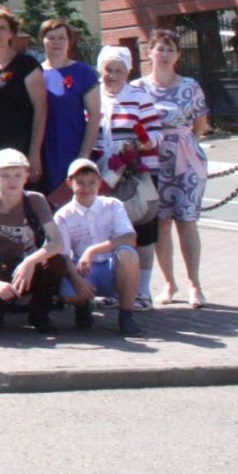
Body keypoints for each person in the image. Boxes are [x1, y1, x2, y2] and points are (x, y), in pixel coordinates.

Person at [137, 28, 210, 308]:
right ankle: (169, 283)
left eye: (170, 50)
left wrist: (181, 142)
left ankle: (195, 285)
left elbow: (200, 125)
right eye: (160, 49)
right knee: (161, 224)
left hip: (185, 159)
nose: (165, 55)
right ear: (150, 52)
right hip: (153, 162)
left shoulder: (190, 86)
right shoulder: (139, 88)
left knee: (187, 220)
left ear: (178, 55)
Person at [0, 147, 70, 333]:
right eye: (5, 176)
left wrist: (31, 260)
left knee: (56, 263)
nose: (12, 181)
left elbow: (57, 243)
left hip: (28, 265)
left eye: (17, 175)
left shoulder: (36, 200)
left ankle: (39, 313)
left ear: (26, 176)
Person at [94, 45, 160, 311]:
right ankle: (110, 287)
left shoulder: (139, 97)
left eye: (118, 70)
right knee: (107, 231)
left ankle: (142, 292)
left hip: (135, 173)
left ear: (127, 71)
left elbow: (157, 134)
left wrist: (140, 143)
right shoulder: (93, 96)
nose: (112, 75)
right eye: (108, 70)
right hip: (102, 174)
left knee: (141, 230)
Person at [54, 157, 142, 335]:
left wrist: (93, 250)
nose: (86, 188)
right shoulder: (62, 215)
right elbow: (63, 254)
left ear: (100, 183)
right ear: (69, 183)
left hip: (111, 266)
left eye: (92, 182)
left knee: (128, 254)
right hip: (83, 269)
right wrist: (77, 281)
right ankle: (83, 305)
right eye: (80, 182)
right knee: (69, 294)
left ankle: (126, 315)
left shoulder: (112, 205)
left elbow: (130, 237)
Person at [0, 5, 47, 181]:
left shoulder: (26, 65)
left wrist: (34, 153)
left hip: (22, 144)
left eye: (2, 28)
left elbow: (41, 111)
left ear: (11, 33)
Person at [37, 20, 101, 193]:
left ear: (69, 41)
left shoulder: (84, 73)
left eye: (61, 37)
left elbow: (95, 115)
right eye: (51, 37)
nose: (56, 42)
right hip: (42, 148)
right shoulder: (35, 73)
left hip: (72, 144)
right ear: (42, 40)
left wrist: (84, 154)